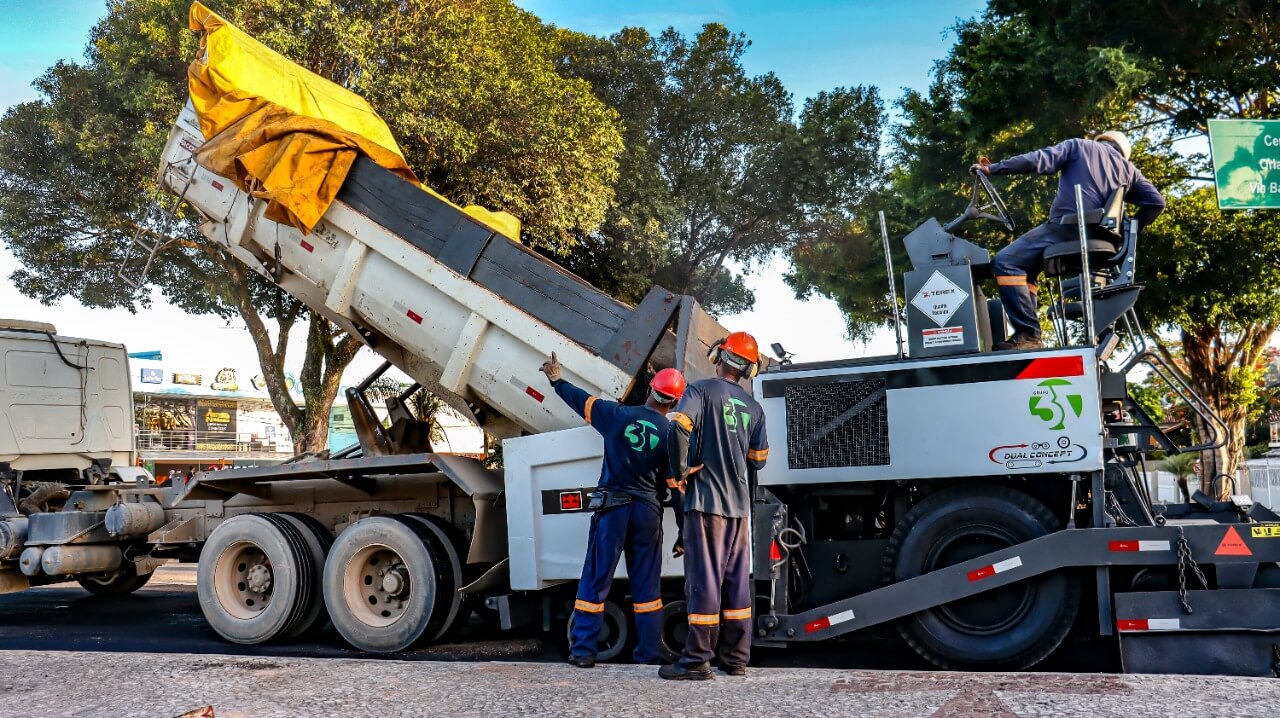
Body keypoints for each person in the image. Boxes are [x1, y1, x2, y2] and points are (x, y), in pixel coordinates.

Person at [539, 352, 687, 669]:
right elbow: (676, 488)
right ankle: (647, 655)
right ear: (673, 403)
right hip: (647, 513)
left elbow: (583, 401)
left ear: (651, 390)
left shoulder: (617, 415)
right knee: (647, 586)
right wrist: (685, 532)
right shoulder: (671, 435)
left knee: (595, 578)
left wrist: (556, 380)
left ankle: (583, 652)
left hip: (614, 508)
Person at [973, 131, 1165, 349]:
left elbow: (1039, 159)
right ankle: (1028, 334)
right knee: (1025, 268)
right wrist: (1129, 231)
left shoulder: (1080, 146)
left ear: (1101, 140)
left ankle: (1028, 335)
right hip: (1105, 240)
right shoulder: (1129, 170)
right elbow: (1156, 203)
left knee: (1006, 261)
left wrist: (992, 168)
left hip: (1067, 228)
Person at [659, 331, 768, 681]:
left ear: (720, 356)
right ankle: (736, 660)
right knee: (737, 584)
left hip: (706, 504)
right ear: (748, 370)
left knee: (704, 581)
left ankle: (695, 661)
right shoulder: (754, 408)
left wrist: (678, 473)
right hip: (739, 510)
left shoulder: (700, 390)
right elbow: (759, 460)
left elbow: (677, 427)